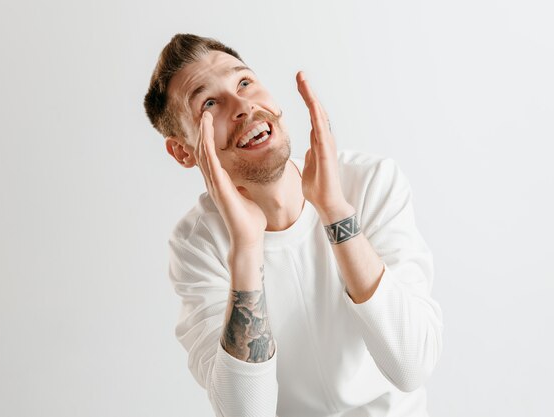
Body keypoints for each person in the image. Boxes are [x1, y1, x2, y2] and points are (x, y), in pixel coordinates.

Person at [144, 33, 444, 417]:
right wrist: (247, 247)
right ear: (183, 151)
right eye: (209, 104)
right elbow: (246, 412)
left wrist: (335, 210)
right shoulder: (196, 245)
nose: (242, 106)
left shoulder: (371, 183)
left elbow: (412, 365)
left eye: (245, 82)